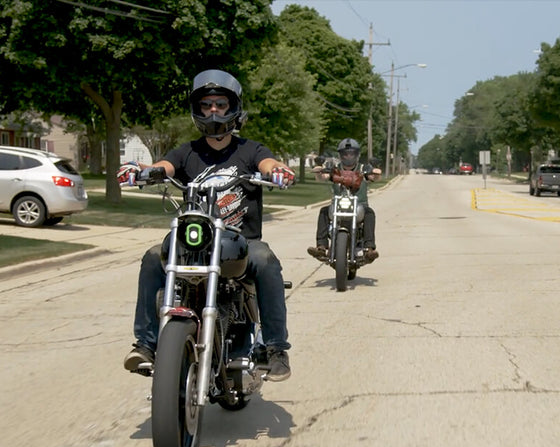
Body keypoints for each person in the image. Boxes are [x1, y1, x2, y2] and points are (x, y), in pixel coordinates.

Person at [117, 69, 296, 381]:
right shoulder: (187, 152)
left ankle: (275, 348)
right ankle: (145, 344)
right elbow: (163, 167)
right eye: (207, 104)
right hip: (195, 242)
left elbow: (269, 164)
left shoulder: (251, 150)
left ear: (233, 107)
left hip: (241, 241)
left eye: (221, 104)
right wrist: (140, 170)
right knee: (151, 257)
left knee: (266, 261)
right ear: (197, 109)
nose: (214, 111)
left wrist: (278, 170)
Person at [307, 138, 380, 262]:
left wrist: (376, 170)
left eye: (351, 153)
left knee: (370, 213)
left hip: (360, 206)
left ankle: (369, 249)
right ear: (340, 155)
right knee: (324, 211)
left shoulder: (363, 168)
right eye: (345, 153)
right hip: (338, 206)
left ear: (356, 154)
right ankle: (321, 247)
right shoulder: (334, 168)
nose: (348, 156)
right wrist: (319, 168)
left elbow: (374, 176)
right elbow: (322, 177)